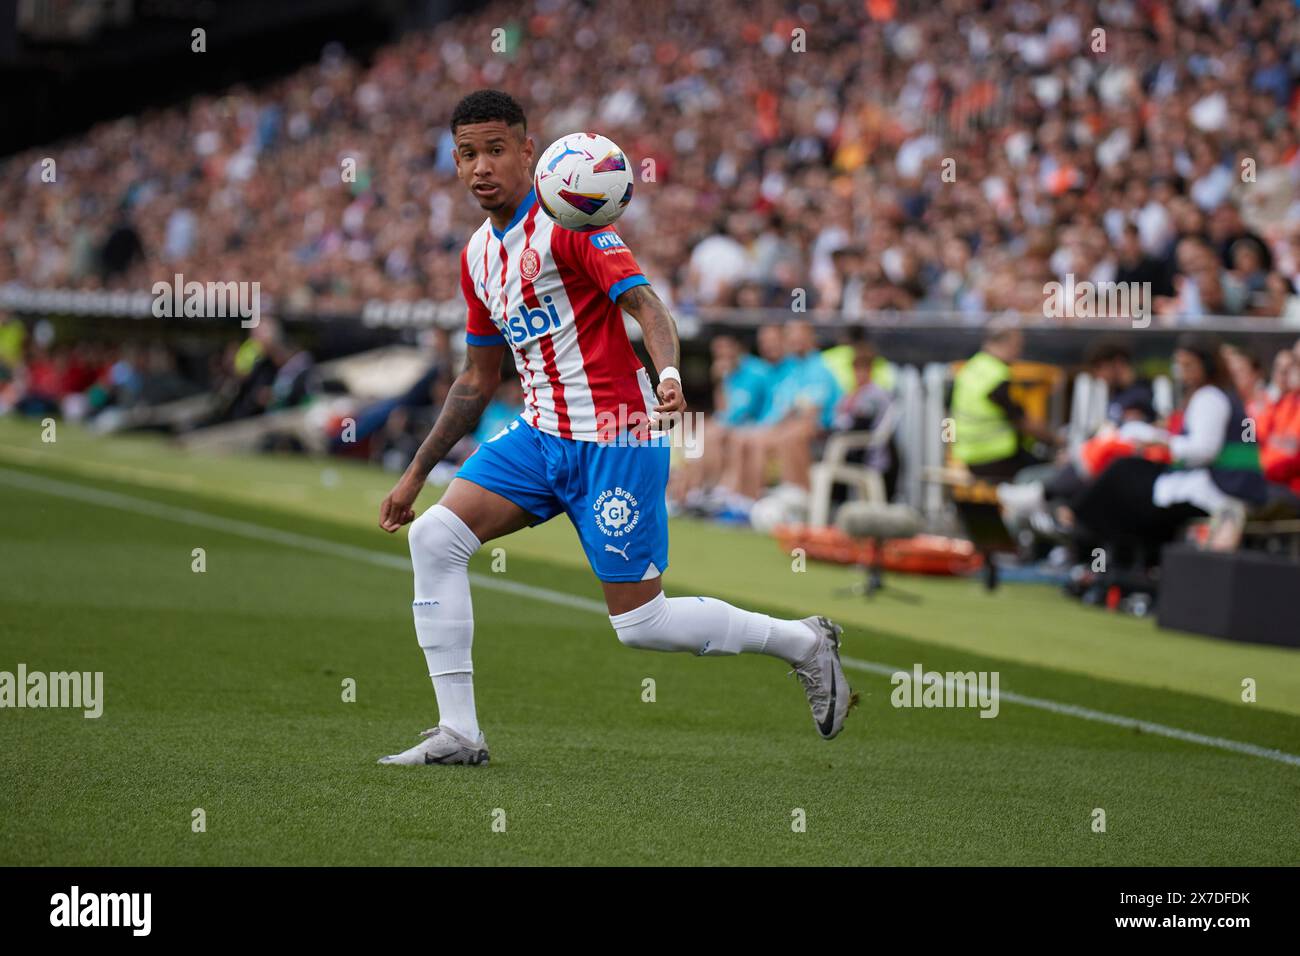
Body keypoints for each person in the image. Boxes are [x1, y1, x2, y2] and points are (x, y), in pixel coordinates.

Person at [375, 90, 855, 766]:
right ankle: (461, 733)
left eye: (495, 150)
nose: (480, 166)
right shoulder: (476, 257)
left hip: (616, 439)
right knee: (433, 537)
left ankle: (804, 642)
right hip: (541, 439)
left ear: (527, 152)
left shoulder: (573, 221)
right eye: (466, 154)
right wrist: (416, 473)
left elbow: (647, 305)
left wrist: (667, 377)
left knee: (641, 626)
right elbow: (477, 379)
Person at [1070, 333, 1269, 564]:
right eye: (1179, 364)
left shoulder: (1210, 397)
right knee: (1125, 475)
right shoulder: (1211, 396)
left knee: (1123, 474)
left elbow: (1203, 450)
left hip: (1219, 488)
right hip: (1214, 483)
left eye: (1188, 365)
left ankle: (1081, 524)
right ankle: (1102, 547)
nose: (1181, 371)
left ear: (1206, 365)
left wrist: (1161, 443)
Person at [950, 321, 1057, 481]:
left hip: (969, 455)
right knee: (1052, 473)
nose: (1019, 351)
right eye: (1018, 345)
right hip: (996, 457)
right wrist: (1055, 439)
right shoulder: (997, 375)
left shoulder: (971, 367)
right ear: (1006, 343)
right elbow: (1021, 421)